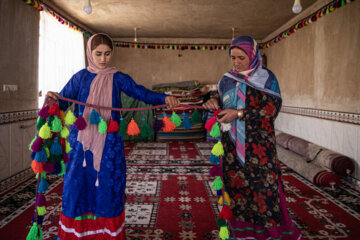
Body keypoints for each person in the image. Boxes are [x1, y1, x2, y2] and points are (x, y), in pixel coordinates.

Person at [46, 33, 179, 240]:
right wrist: (52, 99)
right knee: (77, 185)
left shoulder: (119, 78)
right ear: (89, 53)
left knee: (109, 186)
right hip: (80, 143)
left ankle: (107, 234)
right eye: (98, 54)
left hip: (109, 145)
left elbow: (141, 93)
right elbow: (62, 102)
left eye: (107, 54)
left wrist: (165, 97)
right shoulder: (80, 78)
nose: (103, 59)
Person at [203, 36, 303, 239]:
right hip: (231, 146)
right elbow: (222, 102)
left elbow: (269, 111)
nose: (236, 62)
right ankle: (241, 233)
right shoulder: (227, 79)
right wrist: (213, 101)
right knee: (237, 190)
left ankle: (268, 234)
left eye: (241, 57)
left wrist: (238, 114)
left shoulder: (267, 79)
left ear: (253, 55)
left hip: (259, 147)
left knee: (263, 192)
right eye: (233, 58)